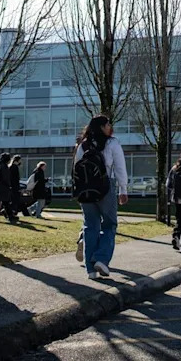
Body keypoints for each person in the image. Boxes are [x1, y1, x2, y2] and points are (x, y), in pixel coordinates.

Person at [74, 115, 128, 279]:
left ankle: (90, 270)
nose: (110, 126)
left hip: (86, 189)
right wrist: (123, 189)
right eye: (108, 124)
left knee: (90, 226)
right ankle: (101, 259)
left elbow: (77, 167)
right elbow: (120, 167)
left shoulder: (83, 145)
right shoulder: (112, 143)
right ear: (102, 127)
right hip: (105, 186)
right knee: (110, 224)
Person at [0, 153, 18, 223]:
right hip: (2, 187)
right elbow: (6, 178)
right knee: (6, 202)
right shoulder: (4, 167)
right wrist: (9, 185)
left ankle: (10, 216)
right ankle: (10, 216)